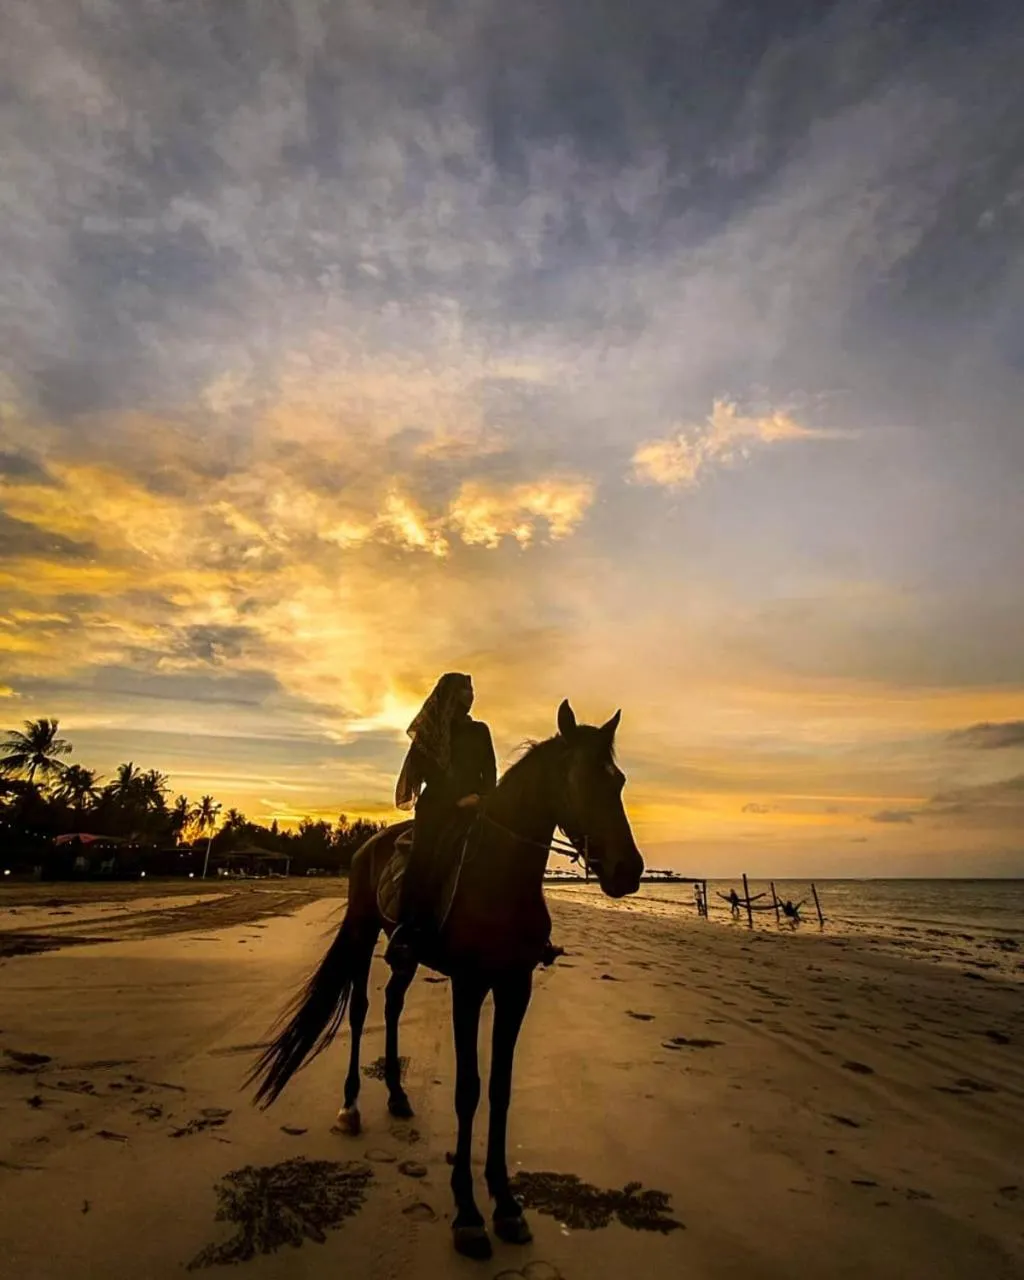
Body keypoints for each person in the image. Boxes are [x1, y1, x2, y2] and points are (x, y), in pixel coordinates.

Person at [385, 672, 497, 966]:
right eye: (465, 690)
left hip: (476, 807)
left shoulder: (481, 731)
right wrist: (455, 799)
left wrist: (481, 800)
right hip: (437, 809)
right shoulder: (430, 736)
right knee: (424, 860)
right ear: (450, 695)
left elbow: (491, 775)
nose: (471, 696)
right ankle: (408, 930)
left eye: (472, 690)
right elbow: (423, 777)